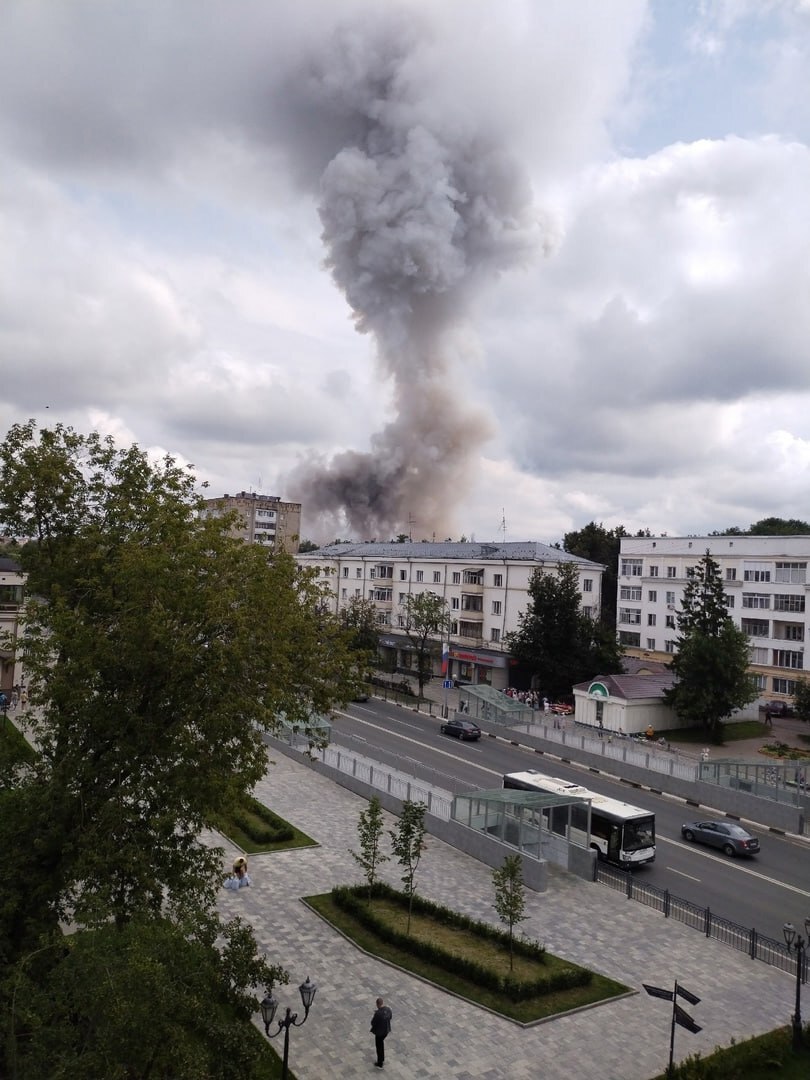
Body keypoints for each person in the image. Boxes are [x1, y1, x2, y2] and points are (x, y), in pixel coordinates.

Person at [370, 996, 392, 1068]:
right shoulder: (388, 1009)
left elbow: (373, 1023)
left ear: (377, 1004)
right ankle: (381, 1060)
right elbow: (390, 1017)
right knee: (381, 1044)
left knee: (379, 1046)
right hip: (386, 1030)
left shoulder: (378, 1014)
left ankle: (380, 1062)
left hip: (379, 1033)